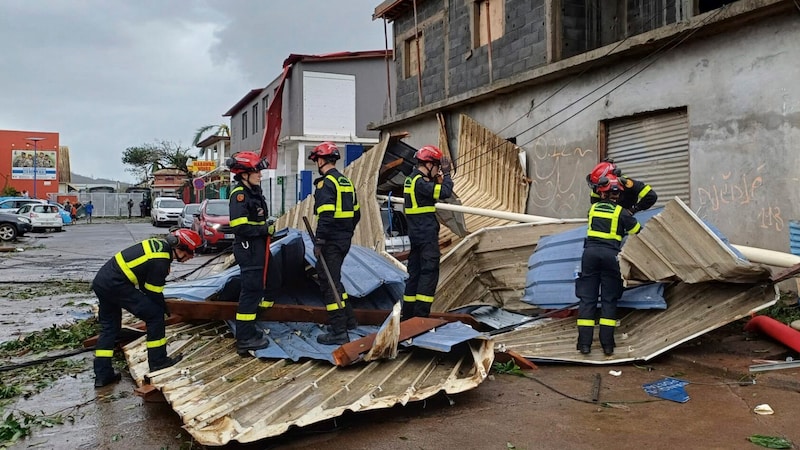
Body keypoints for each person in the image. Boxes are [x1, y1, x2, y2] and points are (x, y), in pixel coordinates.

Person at [91, 228, 202, 387]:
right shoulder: (161, 259)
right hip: (117, 285)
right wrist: (163, 310)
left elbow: (144, 284)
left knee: (110, 328)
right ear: (181, 248)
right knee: (155, 317)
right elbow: (152, 292)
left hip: (102, 282)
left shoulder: (157, 247)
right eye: (190, 253)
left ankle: (103, 375)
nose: (190, 257)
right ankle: (158, 361)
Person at [575, 175, 641, 356]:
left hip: (589, 255)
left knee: (587, 299)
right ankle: (607, 346)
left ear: (601, 193)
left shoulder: (592, 210)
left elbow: (594, 196)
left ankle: (584, 345)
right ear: (618, 195)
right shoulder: (621, 212)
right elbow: (637, 231)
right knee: (609, 300)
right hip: (611, 257)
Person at [307, 142, 361, 345]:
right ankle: (349, 320)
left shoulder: (325, 184)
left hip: (330, 241)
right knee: (335, 280)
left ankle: (339, 331)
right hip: (343, 239)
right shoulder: (346, 182)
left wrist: (320, 241)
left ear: (321, 160)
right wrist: (345, 232)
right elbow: (357, 213)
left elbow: (326, 215)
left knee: (328, 283)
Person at [227, 151, 275, 354]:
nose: (260, 175)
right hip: (249, 249)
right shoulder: (240, 195)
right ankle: (245, 338)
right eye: (257, 171)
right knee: (251, 291)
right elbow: (239, 226)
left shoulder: (253, 192)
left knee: (266, 283)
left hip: (258, 247)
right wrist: (264, 230)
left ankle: (251, 327)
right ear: (244, 173)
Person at [401, 145, 454, 320]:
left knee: (414, 274)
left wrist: (435, 179)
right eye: (437, 166)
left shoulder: (411, 179)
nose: (438, 169)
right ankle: (421, 317)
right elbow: (445, 192)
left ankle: (407, 316)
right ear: (429, 164)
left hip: (415, 235)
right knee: (429, 273)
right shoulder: (420, 182)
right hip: (426, 235)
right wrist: (446, 175)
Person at [586, 159, 657, 214]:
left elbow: (651, 196)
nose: (598, 190)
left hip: (626, 219)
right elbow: (594, 204)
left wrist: (634, 209)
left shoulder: (628, 184)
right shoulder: (597, 188)